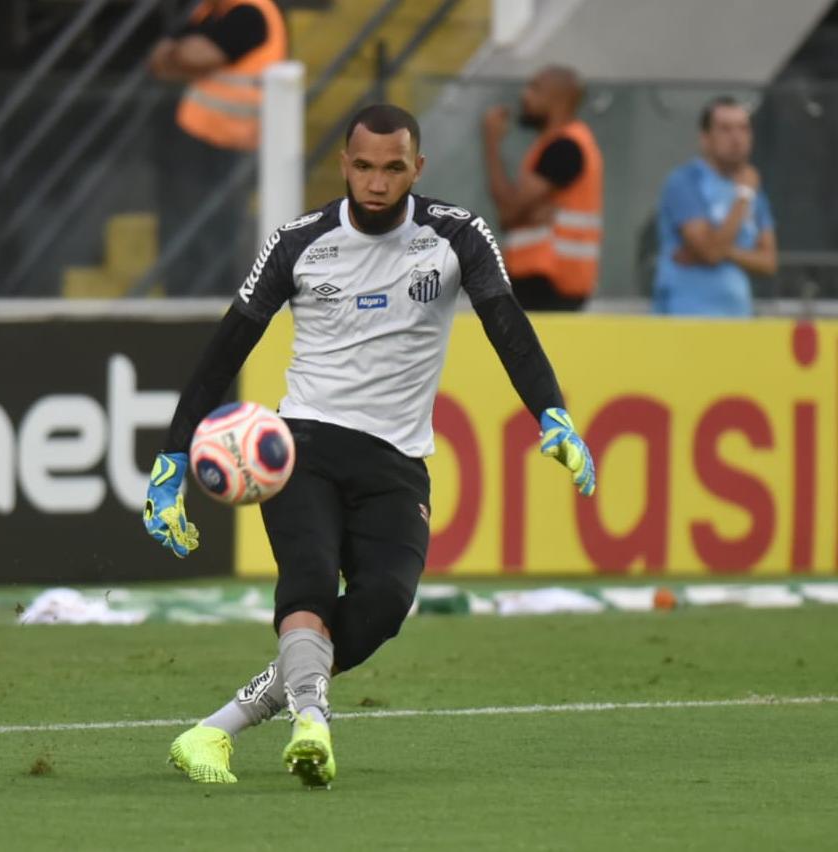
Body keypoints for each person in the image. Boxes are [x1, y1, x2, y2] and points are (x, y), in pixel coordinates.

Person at [143, 104, 596, 789]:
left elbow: (506, 322)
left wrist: (552, 413)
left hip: (395, 460)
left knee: (385, 603)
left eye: (392, 169)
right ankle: (312, 726)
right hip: (302, 447)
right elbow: (224, 348)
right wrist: (174, 456)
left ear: (417, 168)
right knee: (310, 584)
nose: (377, 183)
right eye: (363, 167)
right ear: (344, 165)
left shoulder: (456, 235)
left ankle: (216, 730)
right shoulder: (299, 242)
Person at [149, 0, 287, 295]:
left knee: (222, 236)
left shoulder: (251, 13)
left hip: (235, 147)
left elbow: (198, 55)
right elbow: (158, 60)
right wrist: (180, 55)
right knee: (189, 234)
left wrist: (179, 54)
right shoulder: (208, 12)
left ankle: (221, 304)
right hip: (196, 142)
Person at [481, 66, 603, 311]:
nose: (524, 96)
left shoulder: (565, 147)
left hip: (549, 282)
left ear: (559, 99)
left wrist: (491, 143)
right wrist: (523, 215)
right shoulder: (552, 145)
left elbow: (507, 211)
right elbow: (512, 214)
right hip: (542, 281)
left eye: (534, 88)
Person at [653, 96, 777, 317]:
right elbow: (709, 252)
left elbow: (768, 261)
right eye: (725, 129)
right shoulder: (685, 182)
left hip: (737, 318)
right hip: (685, 317)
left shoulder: (753, 187)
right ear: (705, 138)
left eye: (743, 129)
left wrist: (723, 251)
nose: (736, 138)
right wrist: (741, 199)